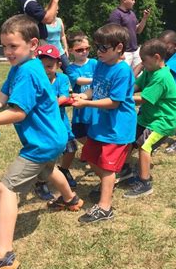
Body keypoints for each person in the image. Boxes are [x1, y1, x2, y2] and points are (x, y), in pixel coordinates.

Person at [0, 15, 83, 269]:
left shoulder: (28, 71)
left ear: (32, 44)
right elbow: (1, 97)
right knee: (47, 170)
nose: (7, 52)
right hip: (53, 139)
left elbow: (17, 113)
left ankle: (2, 255)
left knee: (7, 189)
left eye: (12, 46)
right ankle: (70, 199)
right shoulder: (22, 67)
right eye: (4, 46)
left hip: (42, 143)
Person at [72, 23, 137, 223]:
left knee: (107, 167)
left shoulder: (122, 71)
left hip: (117, 127)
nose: (97, 51)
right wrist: (84, 96)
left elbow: (114, 102)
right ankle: (110, 183)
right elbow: (95, 87)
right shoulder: (100, 64)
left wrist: (88, 103)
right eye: (97, 46)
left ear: (119, 48)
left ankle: (105, 207)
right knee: (90, 157)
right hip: (100, 124)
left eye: (102, 47)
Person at [123, 39, 176, 198]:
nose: (142, 64)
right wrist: (126, 90)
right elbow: (137, 86)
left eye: (144, 61)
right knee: (130, 140)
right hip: (148, 117)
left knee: (144, 146)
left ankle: (144, 182)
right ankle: (125, 170)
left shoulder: (162, 76)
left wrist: (120, 97)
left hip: (164, 120)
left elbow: (144, 98)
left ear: (156, 57)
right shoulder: (150, 70)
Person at [34, 44, 78, 193]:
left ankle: (64, 170)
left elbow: (64, 95)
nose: (45, 70)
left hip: (61, 124)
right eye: (41, 67)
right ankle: (41, 182)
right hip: (44, 126)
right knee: (47, 156)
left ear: (59, 65)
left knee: (71, 148)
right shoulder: (37, 80)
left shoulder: (63, 78)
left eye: (49, 66)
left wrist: (51, 104)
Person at [63, 32, 98, 187]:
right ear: (70, 51)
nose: (84, 52)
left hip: (95, 108)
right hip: (80, 108)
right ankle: (92, 150)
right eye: (79, 50)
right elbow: (78, 80)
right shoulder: (70, 68)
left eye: (87, 48)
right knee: (78, 133)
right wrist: (97, 78)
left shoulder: (95, 63)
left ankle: (94, 155)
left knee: (94, 133)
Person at [108, 0, 150, 76]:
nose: (134, 2)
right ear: (124, 0)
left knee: (138, 77)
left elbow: (138, 30)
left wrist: (144, 18)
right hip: (124, 53)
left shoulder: (132, 14)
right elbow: (114, 35)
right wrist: (119, 53)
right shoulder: (116, 14)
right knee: (123, 76)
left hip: (135, 51)